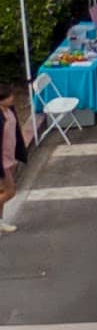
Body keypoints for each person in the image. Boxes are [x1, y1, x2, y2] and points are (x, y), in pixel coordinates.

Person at [0, 83, 22, 234]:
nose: (12, 98)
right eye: (9, 96)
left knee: (2, 190)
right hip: (1, 160)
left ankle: (0, 221)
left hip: (10, 155)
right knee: (10, 191)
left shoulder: (9, 110)